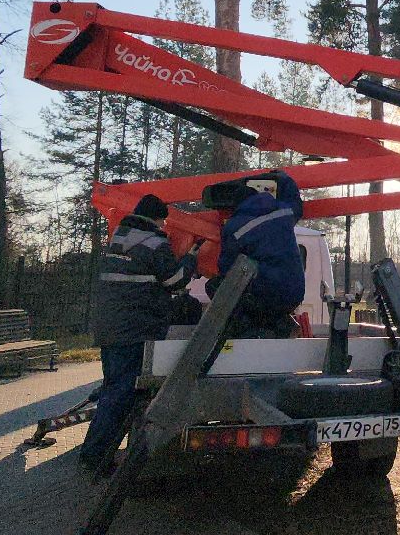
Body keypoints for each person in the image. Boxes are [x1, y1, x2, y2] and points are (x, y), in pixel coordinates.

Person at [80, 193, 197, 477]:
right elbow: (174, 281)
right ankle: (96, 457)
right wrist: (192, 258)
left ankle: (95, 452)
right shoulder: (155, 243)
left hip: (110, 326)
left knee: (112, 390)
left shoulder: (119, 237)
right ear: (159, 219)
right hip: (135, 328)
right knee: (121, 394)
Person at [212, 171, 307, 339]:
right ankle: (281, 324)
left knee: (215, 286)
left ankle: (252, 332)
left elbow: (227, 269)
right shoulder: (282, 212)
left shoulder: (233, 227)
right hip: (295, 292)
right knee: (268, 303)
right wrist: (282, 178)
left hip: (265, 295)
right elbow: (295, 200)